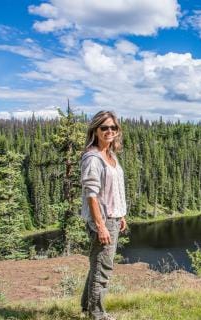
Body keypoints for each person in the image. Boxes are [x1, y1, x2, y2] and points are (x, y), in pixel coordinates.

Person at [80, 111, 127, 320]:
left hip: (113, 217)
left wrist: (121, 215)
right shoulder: (93, 157)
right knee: (103, 268)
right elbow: (92, 195)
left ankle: (86, 308)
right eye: (104, 128)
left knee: (97, 265)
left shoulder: (110, 155)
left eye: (113, 128)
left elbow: (113, 190)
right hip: (103, 220)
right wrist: (101, 226)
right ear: (95, 130)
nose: (109, 131)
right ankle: (97, 315)